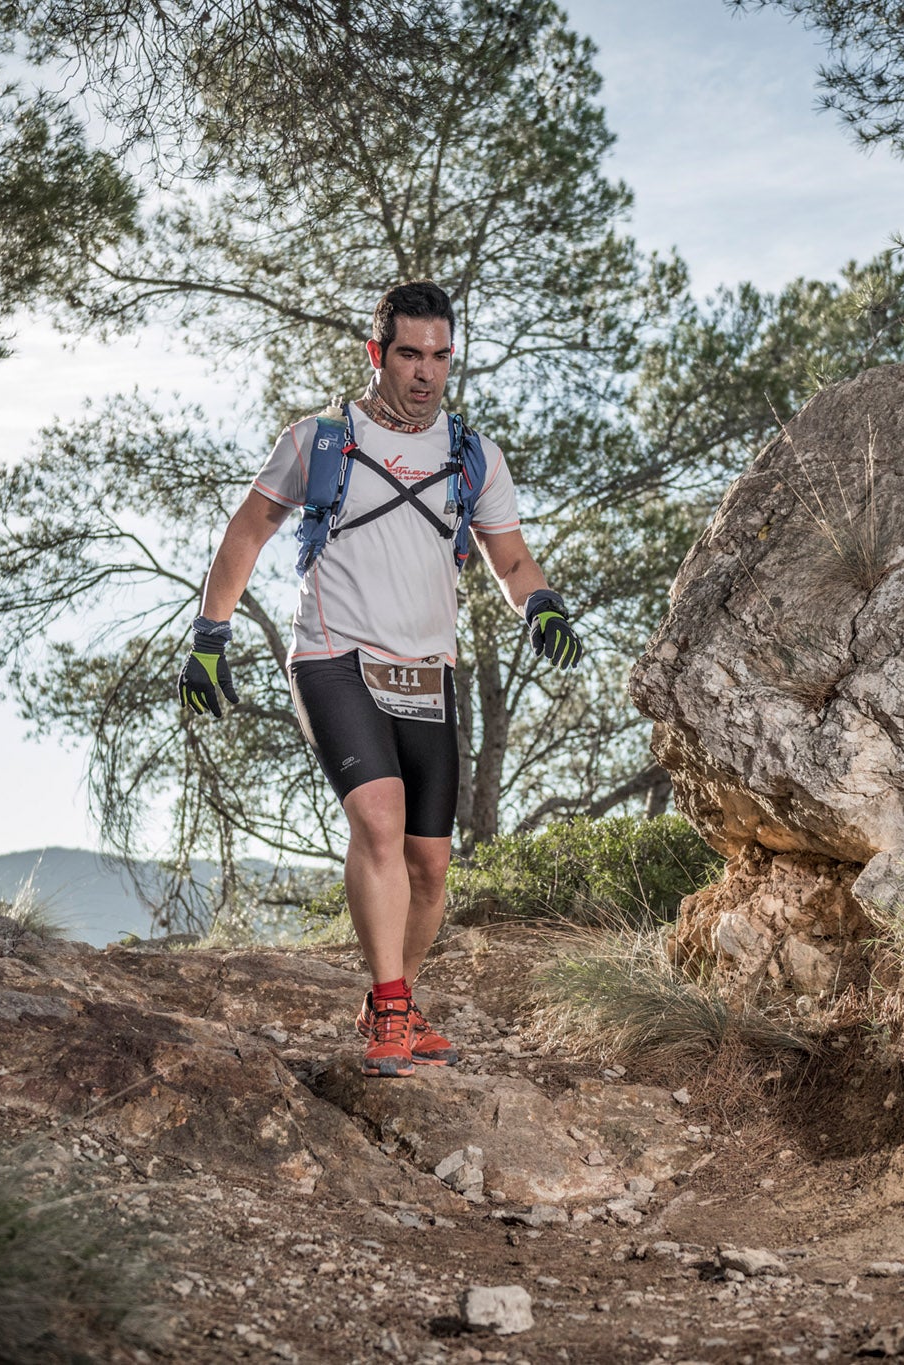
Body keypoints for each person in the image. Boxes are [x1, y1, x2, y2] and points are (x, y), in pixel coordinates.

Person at [178, 280, 584, 1078]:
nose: (426, 372)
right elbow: (249, 530)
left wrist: (539, 603)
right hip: (334, 655)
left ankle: (393, 999)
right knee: (379, 819)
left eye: (440, 356)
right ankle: (390, 1013)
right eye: (409, 354)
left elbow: (508, 556)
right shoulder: (319, 442)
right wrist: (210, 632)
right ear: (377, 354)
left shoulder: (474, 455)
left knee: (431, 863)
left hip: (429, 671)